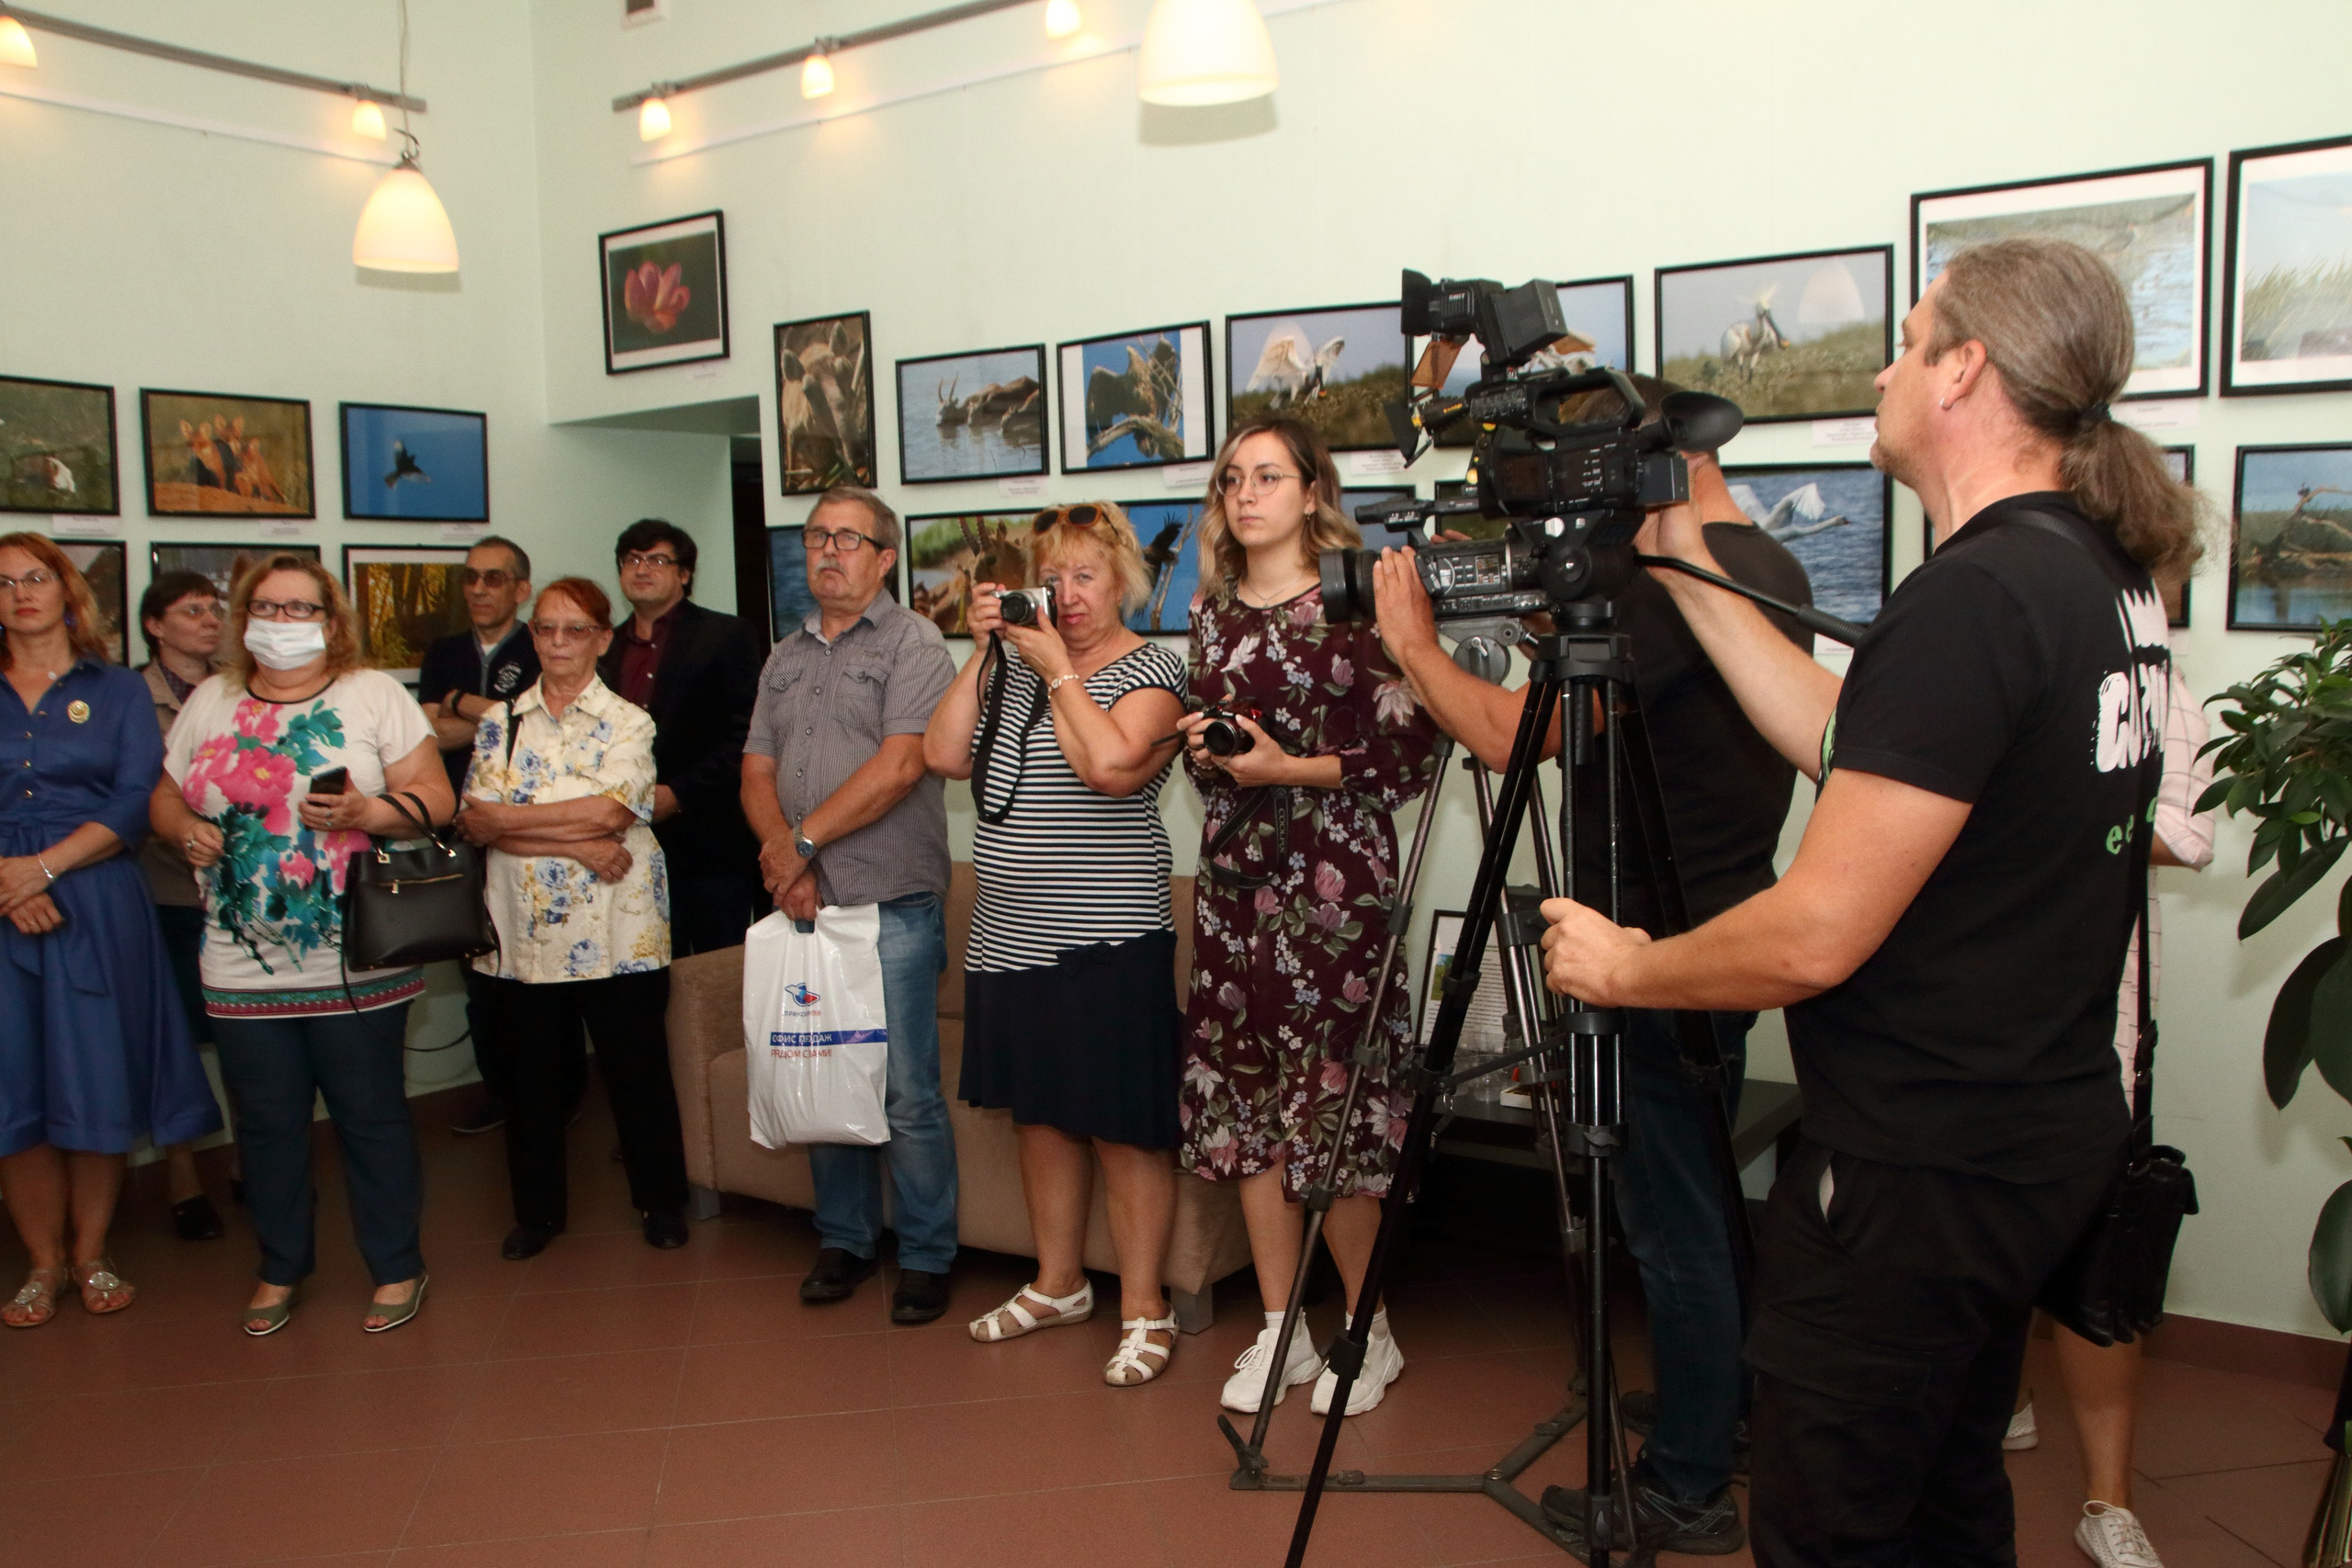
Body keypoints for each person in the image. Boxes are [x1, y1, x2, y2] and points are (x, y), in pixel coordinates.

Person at [1538, 237, 2204, 1565]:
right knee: (1947, 1494)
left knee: (1834, 1519)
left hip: (1918, 1165)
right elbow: (1874, 745)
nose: (1888, 369)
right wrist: (1680, 572)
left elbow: (1818, 928)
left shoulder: (1974, 598)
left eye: (1910, 341)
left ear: (1966, 370)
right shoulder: (2094, 575)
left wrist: (1627, 967)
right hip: (2029, 1131)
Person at [1371, 374, 1811, 1552]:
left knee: (1668, 1227)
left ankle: (1683, 1488)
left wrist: (1415, 648)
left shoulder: (1667, 590)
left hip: (1653, 951)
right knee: (1711, 1202)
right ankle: (1721, 1411)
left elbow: (1521, 737)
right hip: (1726, 921)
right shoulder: (1761, 563)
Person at [1176, 415, 1438, 1419]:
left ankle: (1367, 1334)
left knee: (1333, 1119)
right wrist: (1211, 751)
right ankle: (1281, 1327)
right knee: (1248, 1115)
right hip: (1238, 891)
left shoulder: (1357, 605)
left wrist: (1288, 768)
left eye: (1269, 476)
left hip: (1336, 897)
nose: (1247, 494)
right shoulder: (1209, 614)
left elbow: (1408, 759)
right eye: (1234, 478)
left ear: (1312, 493)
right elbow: (1219, 765)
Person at [922, 502, 1189, 1385]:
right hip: (1008, 932)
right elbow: (944, 752)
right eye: (1054, 577)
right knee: (1039, 1117)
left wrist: (1058, 672)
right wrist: (989, 652)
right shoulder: (1015, 663)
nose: (1068, 596)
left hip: (1107, 935)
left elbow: (1110, 766)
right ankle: (1059, 1281)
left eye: (1085, 576)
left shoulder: (1153, 668)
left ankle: (1146, 1306)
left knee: (1121, 1128)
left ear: (1121, 582)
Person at [153, 554, 453, 1336]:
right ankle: (280, 1264)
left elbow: (436, 800)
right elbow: (165, 791)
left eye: (302, 609)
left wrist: (367, 810)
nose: (283, 623)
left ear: (331, 620)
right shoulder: (212, 700)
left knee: (371, 1114)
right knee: (266, 1122)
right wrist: (184, 827)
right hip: (237, 956)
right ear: (245, 616)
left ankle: (396, 1264)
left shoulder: (372, 694)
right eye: (269, 607)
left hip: (354, 953)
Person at [2004, 658, 2214, 1568]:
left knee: (2099, 1253)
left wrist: (2038, 810)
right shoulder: (1987, 670)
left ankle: (2108, 1502)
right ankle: (2001, 1406)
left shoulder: (2156, 690)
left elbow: (2186, 833)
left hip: (2099, 1020)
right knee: (1981, 1237)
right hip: (1980, 1015)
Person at [741, 485, 959, 1325]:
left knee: (905, 1089)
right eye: (816, 538)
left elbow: (905, 764)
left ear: (884, 556)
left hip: (890, 903)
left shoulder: (915, 642)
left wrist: (801, 845)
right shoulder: (784, 655)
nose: (828, 552)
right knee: (819, 1062)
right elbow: (758, 768)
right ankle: (843, 1239)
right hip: (803, 903)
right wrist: (782, 857)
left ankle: (929, 1253)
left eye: (847, 539)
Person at [0, 535, 220, 1328]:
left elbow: (135, 801)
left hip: (94, 898)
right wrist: (10, 878)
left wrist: (44, 868)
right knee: (12, 1085)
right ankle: (41, 1263)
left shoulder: (120, 690)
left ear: (66, 590)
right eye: (3, 583)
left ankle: (92, 1253)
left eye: (36, 578)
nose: (21, 593)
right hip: (2, 906)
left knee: (94, 1078)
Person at [458, 578, 690, 1259]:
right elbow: (475, 821)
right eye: (546, 629)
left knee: (637, 1074)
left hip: (619, 931)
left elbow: (613, 812)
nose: (558, 642)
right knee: (529, 1082)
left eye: (574, 630)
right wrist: (577, 841)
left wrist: (518, 822)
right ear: (532, 635)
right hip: (521, 936)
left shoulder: (629, 720)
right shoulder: (500, 723)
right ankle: (537, 1214)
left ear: (602, 637)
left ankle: (661, 1202)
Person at [413, 536, 560, 1139]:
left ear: (520, 589)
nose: (478, 588)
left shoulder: (542, 644)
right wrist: (484, 711)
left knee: (538, 970)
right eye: (471, 577)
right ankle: (500, 1091)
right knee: (478, 970)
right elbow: (426, 730)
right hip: (456, 832)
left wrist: (461, 708)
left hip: (529, 831)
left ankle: (553, 1093)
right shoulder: (444, 650)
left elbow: (533, 723)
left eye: (494, 578)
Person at [600, 519, 768, 956]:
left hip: (712, 842)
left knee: (719, 976)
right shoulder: (605, 647)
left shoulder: (727, 636)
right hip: (627, 846)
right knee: (647, 974)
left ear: (685, 573)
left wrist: (679, 793)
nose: (642, 570)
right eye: (632, 560)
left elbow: (750, 735)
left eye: (657, 559)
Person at [137, 569, 233, 1242]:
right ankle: (183, 1177)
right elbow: (134, 795)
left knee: (246, 1039)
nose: (208, 619)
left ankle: (255, 1163)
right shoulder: (128, 698)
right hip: (168, 891)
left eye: (214, 608)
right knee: (172, 1038)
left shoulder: (240, 689)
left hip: (244, 893)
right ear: (155, 625)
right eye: (191, 609)